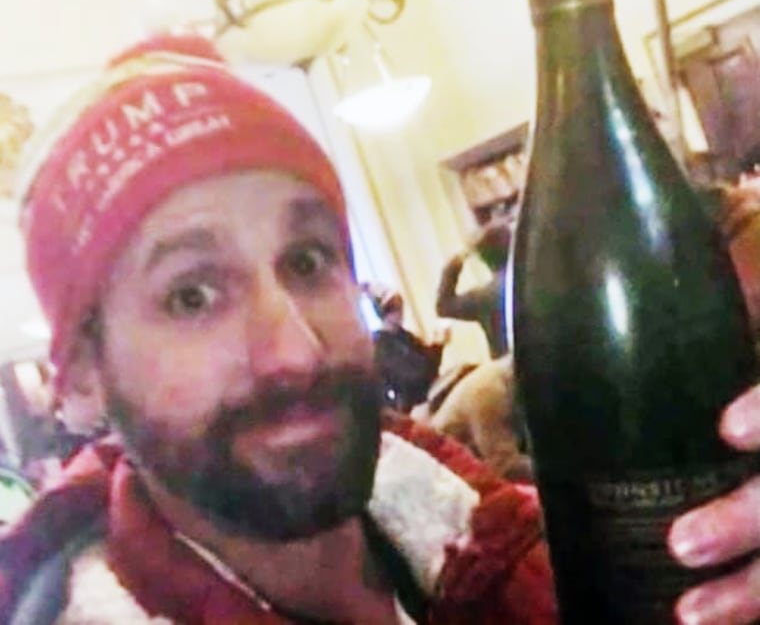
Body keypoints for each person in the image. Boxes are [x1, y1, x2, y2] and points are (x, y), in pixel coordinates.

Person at [0, 34, 557, 624]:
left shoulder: (515, 543)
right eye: (192, 296)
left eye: (307, 262)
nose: (296, 350)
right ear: (84, 374)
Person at [414, 356, 533, 484]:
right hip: (449, 480)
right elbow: (504, 466)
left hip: (468, 473)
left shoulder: (501, 380)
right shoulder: (489, 390)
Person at [436, 214, 513, 359]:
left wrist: (459, 259)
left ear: (484, 260)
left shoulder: (482, 298)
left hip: (513, 368)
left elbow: (443, 306)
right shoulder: (537, 277)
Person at [367, 287, 445, 413]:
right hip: (414, 408)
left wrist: (439, 344)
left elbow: (430, 366)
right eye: (395, 308)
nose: (401, 312)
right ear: (385, 312)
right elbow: (413, 378)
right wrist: (437, 347)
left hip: (432, 395)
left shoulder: (405, 336)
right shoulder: (381, 347)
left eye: (400, 307)